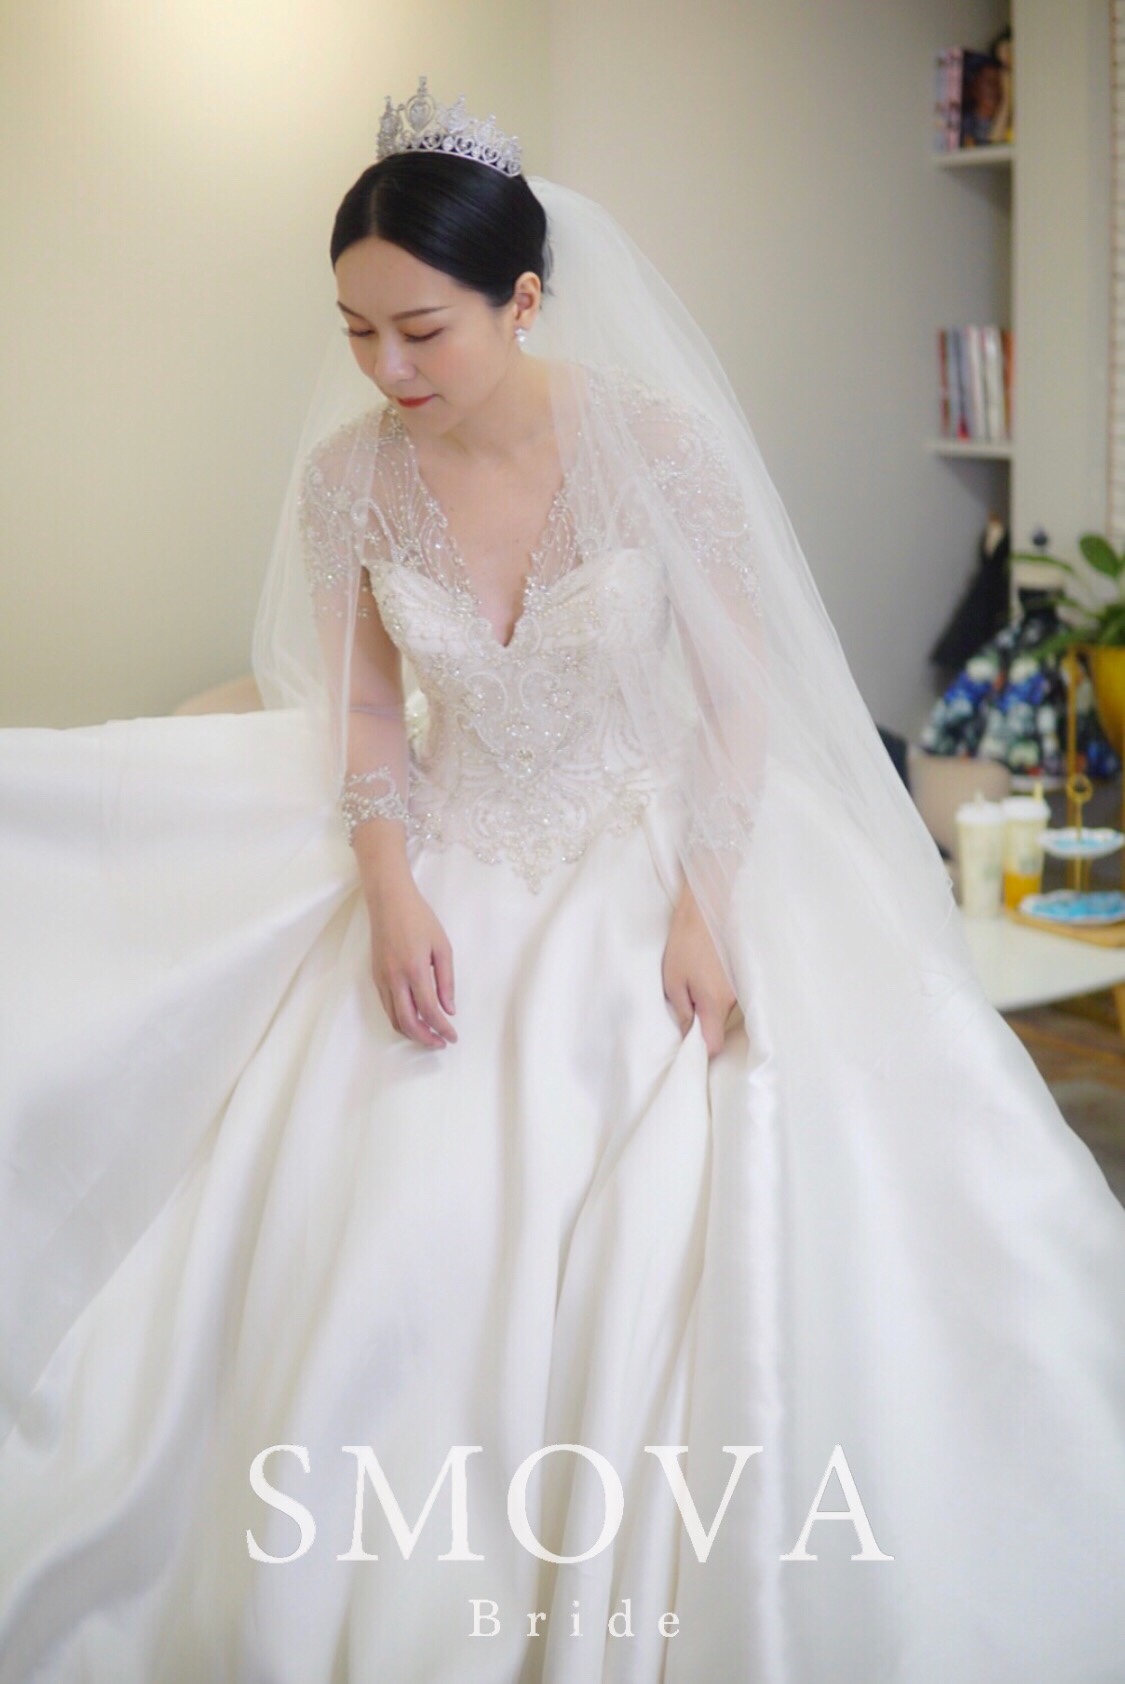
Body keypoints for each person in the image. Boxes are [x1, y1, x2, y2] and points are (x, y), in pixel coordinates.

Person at [2, 75, 1125, 1684]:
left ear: (521, 301)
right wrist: (391, 885)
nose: (386, 369)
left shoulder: (653, 445)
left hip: (661, 842)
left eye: (422, 331)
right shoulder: (348, 484)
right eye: (355, 332)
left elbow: (738, 705)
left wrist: (705, 902)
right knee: (395, 1228)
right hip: (450, 854)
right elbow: (366, 714)